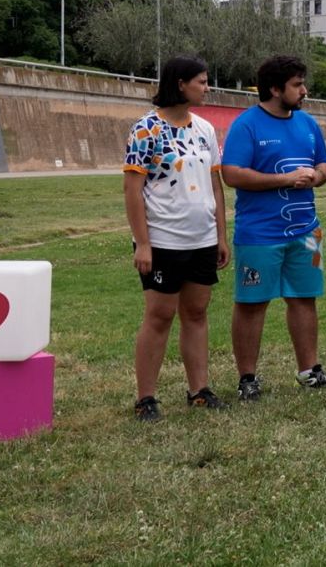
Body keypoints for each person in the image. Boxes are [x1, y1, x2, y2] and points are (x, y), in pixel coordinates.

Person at [221, 54, 326, 399]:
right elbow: (232, 174)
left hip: (308, 233)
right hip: (259, 234)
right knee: (252, 303)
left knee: (304, 298)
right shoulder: (247, 125)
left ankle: (309, 370)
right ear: (274, 89)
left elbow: (325, 165)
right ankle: (248, 379)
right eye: (297, 85)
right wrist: (284, 178)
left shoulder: (307, 123)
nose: (304, 91)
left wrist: (317, 176)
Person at [123, 55, 230, 421]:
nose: (206, 87)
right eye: (201, 81)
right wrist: (143, 242)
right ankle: (145, 398)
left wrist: (221, 236)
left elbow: (216, 187)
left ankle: (199, 390)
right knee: (159, 316)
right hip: (163, 240)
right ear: (181, 84)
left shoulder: (204, 129)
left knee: (196, 313)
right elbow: (133, 190)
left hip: (201, 239)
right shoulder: (145, 130)